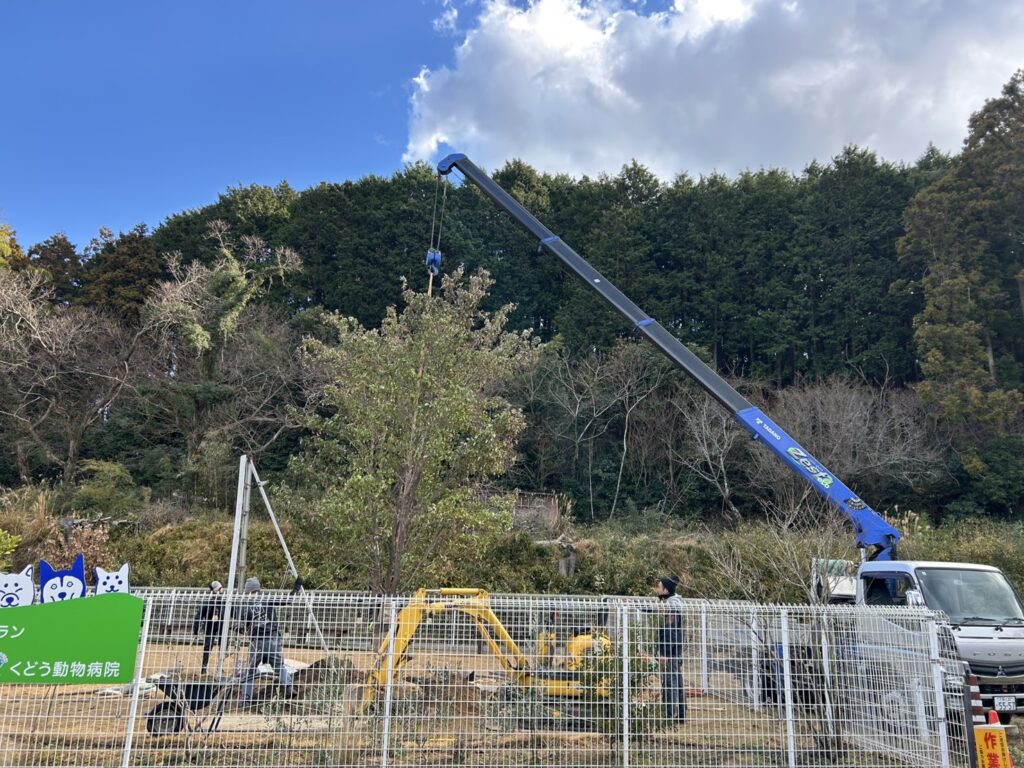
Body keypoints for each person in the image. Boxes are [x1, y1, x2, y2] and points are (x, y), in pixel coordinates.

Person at [237, 577, 293, 701]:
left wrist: (239, 629)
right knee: (279, 666)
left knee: (251, 670)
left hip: (257, 641)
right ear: (258, 589)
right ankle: (288, 685)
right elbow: (286, 601)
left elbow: (245, 626)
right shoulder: (267, 599)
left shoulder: (246, 606)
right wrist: (295, 590)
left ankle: (246, 697)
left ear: (247, 591)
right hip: (273, 638)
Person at [654, 576, 686, 723]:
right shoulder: (674, 602)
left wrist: (664, 653)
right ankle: (680, 714)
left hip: (670, 652)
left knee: (669, 683)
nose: (657, 589)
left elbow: (670, 631)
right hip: (675, 650)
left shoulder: (672, 606)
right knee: (677, 681)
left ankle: (669, 715)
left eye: (659, 587)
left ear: (666, 590)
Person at [192, 580, 224, 675]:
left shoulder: (225, 601)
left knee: (223, 646)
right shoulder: (208, 602)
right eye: (217, 589)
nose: (220, 591)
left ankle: (220, 667)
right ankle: (204, 668)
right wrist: (196, 630)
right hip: (210, 625)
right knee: (208, 646)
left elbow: (235, 613)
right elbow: (198, 616)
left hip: (222, 625)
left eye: (220, 589)